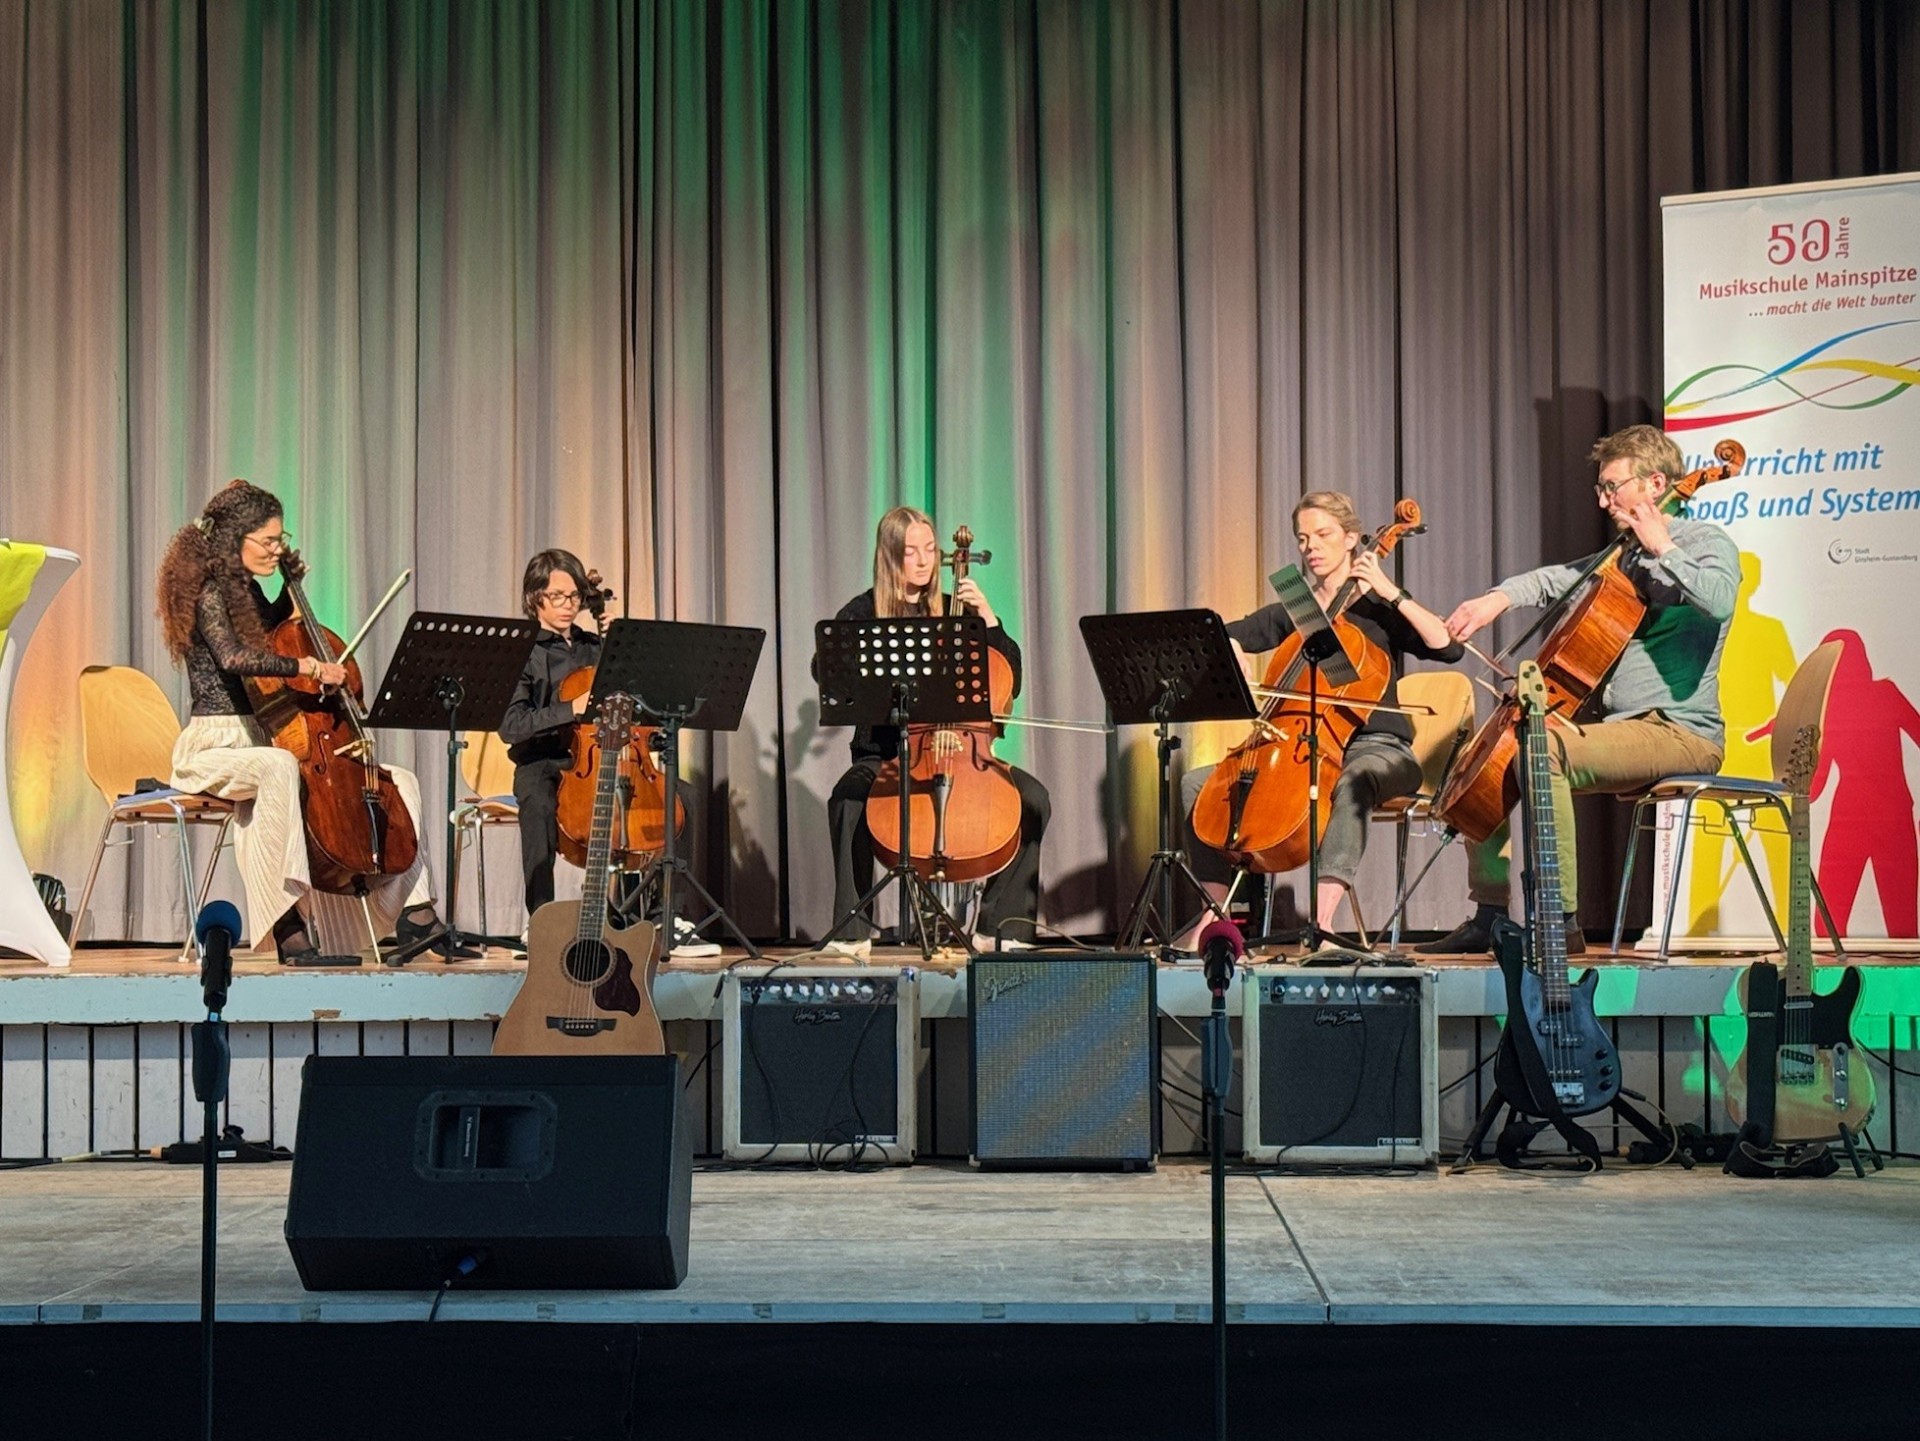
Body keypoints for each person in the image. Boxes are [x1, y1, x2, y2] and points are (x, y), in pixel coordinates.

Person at [1420, 423, 1737, 955]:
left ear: (1655, 483)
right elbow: (1558, 578)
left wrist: (1665, 548)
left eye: (1613, 486)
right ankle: (1491, 913)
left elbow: (1720, 599)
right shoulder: (1625, 553)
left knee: (1542, 753)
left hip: (1682, 732)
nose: (1604, 499)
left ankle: (1557, 920)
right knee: (1491, 755)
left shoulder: (1706, 542)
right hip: (1627, 728)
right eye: (1601, 488)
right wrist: (1496, 600)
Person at [156, 479, 443, 963]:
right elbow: (232, 657)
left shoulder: (244, 592)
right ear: (234, 539)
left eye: (279, 539)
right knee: (277, 769)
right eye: (267, 541)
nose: (276, 549)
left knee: (400, 782)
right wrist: (308, 668)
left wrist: (292, 589)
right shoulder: (208, 593)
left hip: (258, 741)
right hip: (212, 745)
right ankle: (289, 928)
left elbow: (273, 636)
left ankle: (415, 915)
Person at [1182, 491, 1464, 942]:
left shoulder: (1378, 609)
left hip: (1379, 749)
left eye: (1323, 534)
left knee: (1352, 779)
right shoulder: (1297, 608)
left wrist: (1392, 592)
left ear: (1353, 539)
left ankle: (1323, 921)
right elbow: (1219, 638)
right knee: (1198, 785)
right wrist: (1229, 651)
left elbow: (1447, 647)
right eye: (1302, 538)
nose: (1310, 546)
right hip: (1298, 749)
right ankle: (1212, 916)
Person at [820, 506, 1051, 957]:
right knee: (847, 798)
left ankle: (999, 926)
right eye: (911, 552)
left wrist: (990, 622)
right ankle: (852, 929)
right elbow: (827, 666)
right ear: (890, 557)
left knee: (1033, 800)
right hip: (886, 755)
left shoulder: (954, 611)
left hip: (966, 752)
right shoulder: (864, 611)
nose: (925, 561)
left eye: (930, 550)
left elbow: (1010, 676)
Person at [496, 549, 712, 954]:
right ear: (534, 597)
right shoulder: (520, 652)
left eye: (574, 596)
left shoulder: (595, 646)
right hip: (546, 759)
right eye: (557, 596)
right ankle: (540, 918)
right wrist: (569, 710)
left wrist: (623, 651)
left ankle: (667, 918)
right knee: (537, 802)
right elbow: (511, 726)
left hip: (609, 755)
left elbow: (639, 705)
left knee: (682, 796)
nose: (568, 605)